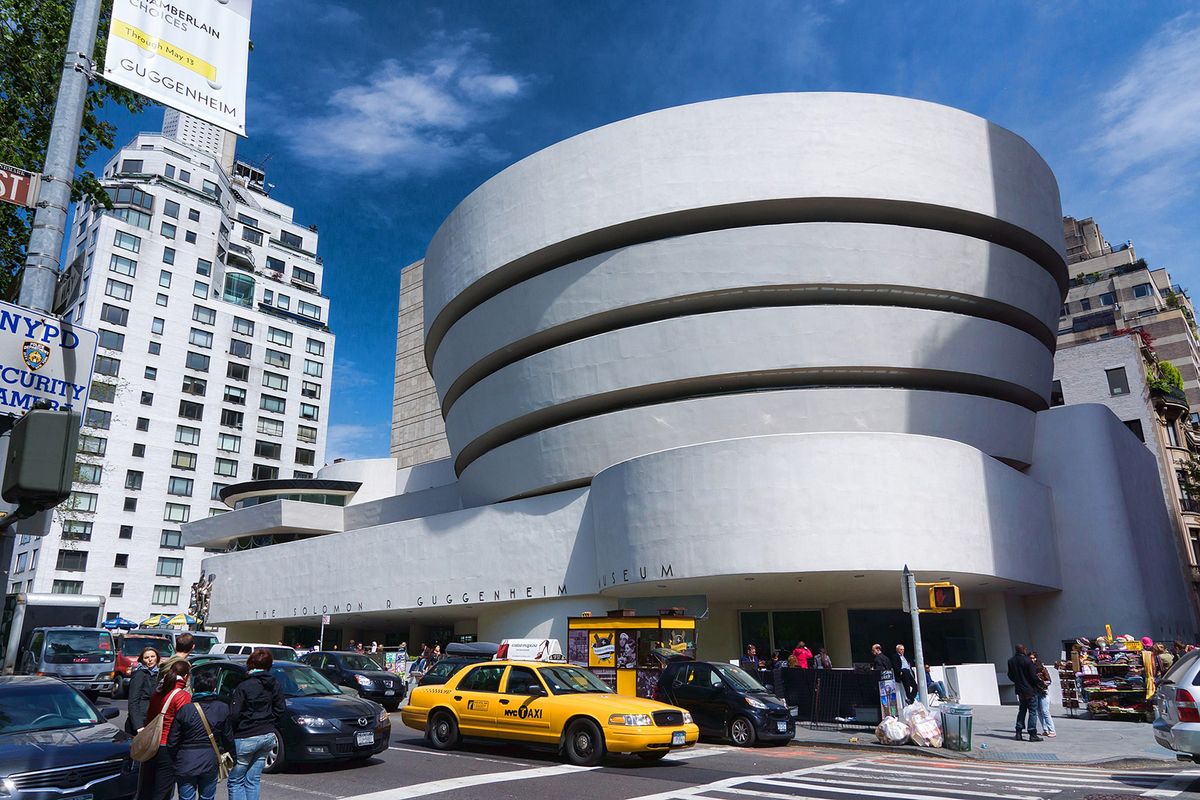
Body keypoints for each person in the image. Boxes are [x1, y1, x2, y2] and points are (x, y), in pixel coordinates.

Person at [227, 649, 286, 800]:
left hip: (245, 735)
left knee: (235, 781)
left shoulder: (244, 685)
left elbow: (234, 714)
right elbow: (280, 709)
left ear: (251, 664)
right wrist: (270, 722)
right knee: (253, 781)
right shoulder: (275, 684)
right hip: (267, 734)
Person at [169, 668, 231, 800]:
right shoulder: (222, 708)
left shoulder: (185, 710)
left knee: (186, 798)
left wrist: (175, 759)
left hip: (185, 759)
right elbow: (227, 737)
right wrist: (232, 757)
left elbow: (172, 740)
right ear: (214, 689)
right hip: (209, 759)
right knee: (207, 797)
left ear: (194, 689)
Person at [137, 660, 192, 800]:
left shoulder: (158, 692)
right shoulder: (182, 696)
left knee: (147, 786)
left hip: (152, 744)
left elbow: (149, 717)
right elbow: (184, 723)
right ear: (186, 676)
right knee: (163, 790)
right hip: (168, 745)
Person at [1006, 644, 1042, 741]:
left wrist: (1018, 682)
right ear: (1024, 650)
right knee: (1032, 712)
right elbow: (1033, 676)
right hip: (1030, 690)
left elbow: (1010, 675)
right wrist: (1040, 683)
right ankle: (1032, 733)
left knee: (1022, 710)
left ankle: (1018, 732)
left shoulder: (1011, 661)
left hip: (1020, 689)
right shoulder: (1028, 661)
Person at [126, 647, 160, 734]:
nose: (150, 660)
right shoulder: (139, 675)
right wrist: (138, 726)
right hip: (140, 722)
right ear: (142, 660)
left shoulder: (159, 674)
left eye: (152, 656)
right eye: (146, 657)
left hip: (152, 720)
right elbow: (133, 701)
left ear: (157, 658)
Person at [1030, 651, 1056, 737]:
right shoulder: (1029, 669)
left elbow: (1049, 680)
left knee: (1045, 711)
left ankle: (1052, 730)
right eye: (1030, 658)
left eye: (1033, 658)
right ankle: (1045, 729)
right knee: (1039, 711)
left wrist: (1042, 683)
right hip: (1034, 692)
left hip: (1043, 691)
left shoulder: (1042, 668)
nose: (1032, 660)